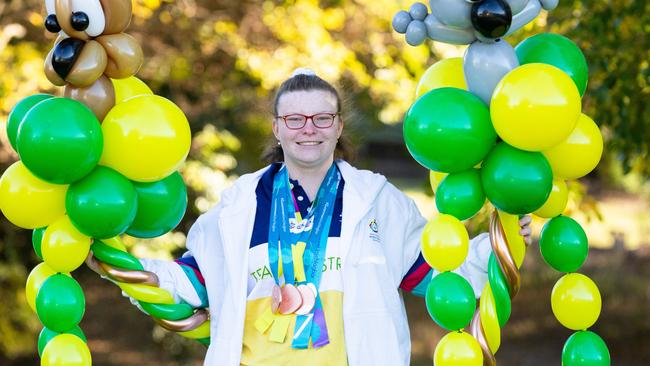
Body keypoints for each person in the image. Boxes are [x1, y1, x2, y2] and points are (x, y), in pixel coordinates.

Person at [138, 68, 532, 366]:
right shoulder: (238, 206)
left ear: (339, 125)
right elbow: (194, 280)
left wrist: (495, 247)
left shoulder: (377, 200)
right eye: (294, 119)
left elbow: (437, 275)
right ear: (277, 128)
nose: (308, 129)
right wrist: (131, 271)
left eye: (322, 118)